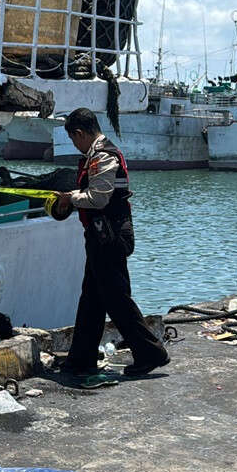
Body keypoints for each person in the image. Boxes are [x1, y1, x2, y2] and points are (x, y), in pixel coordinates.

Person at [53, 108, 170, 388]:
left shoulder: (103, 156)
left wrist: (70, 198)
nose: (74, 145)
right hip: (100, 235)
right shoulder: (95, 155)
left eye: (73, 139)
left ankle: (150, 352)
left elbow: (98, 198)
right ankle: (80, 359)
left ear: (80, 133)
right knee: (92, 300)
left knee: (116, 299)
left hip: (110, 236)